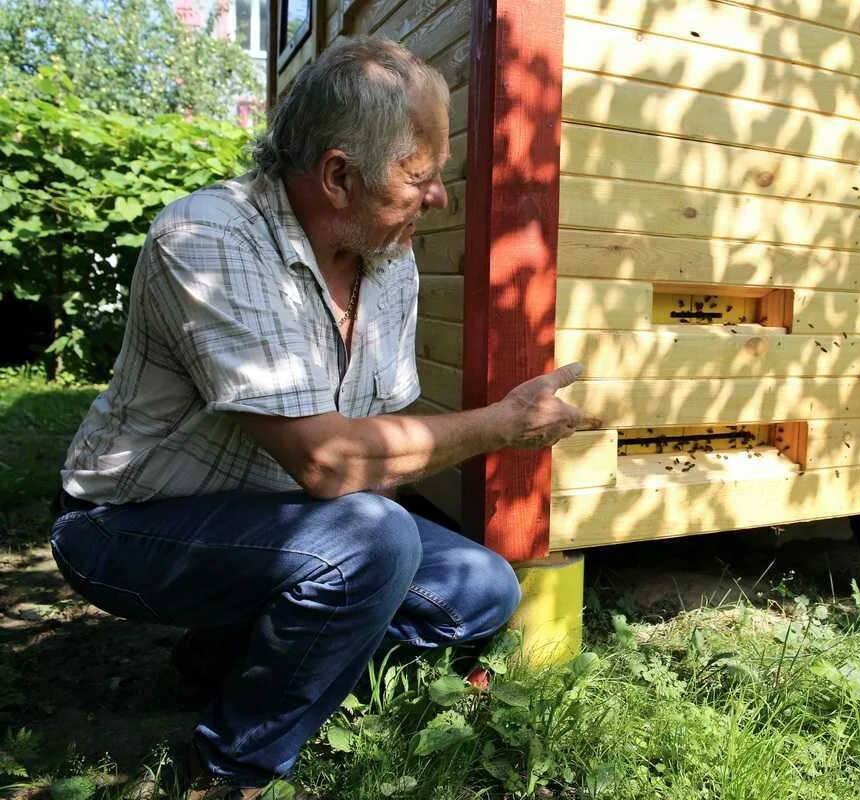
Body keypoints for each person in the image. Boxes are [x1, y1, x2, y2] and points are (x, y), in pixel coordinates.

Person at [50, 35, 589, 799]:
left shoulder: (389, 257)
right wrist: (501, 424)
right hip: (125, 525)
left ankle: (233, 655)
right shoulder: (208, 237)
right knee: (368, 543)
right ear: (337, 175)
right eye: (420, 177)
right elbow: (331, 463)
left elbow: (381, 445)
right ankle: (231, 768)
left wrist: (379, 558)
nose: (437, 198)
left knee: (481, 588)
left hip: (284, 523)